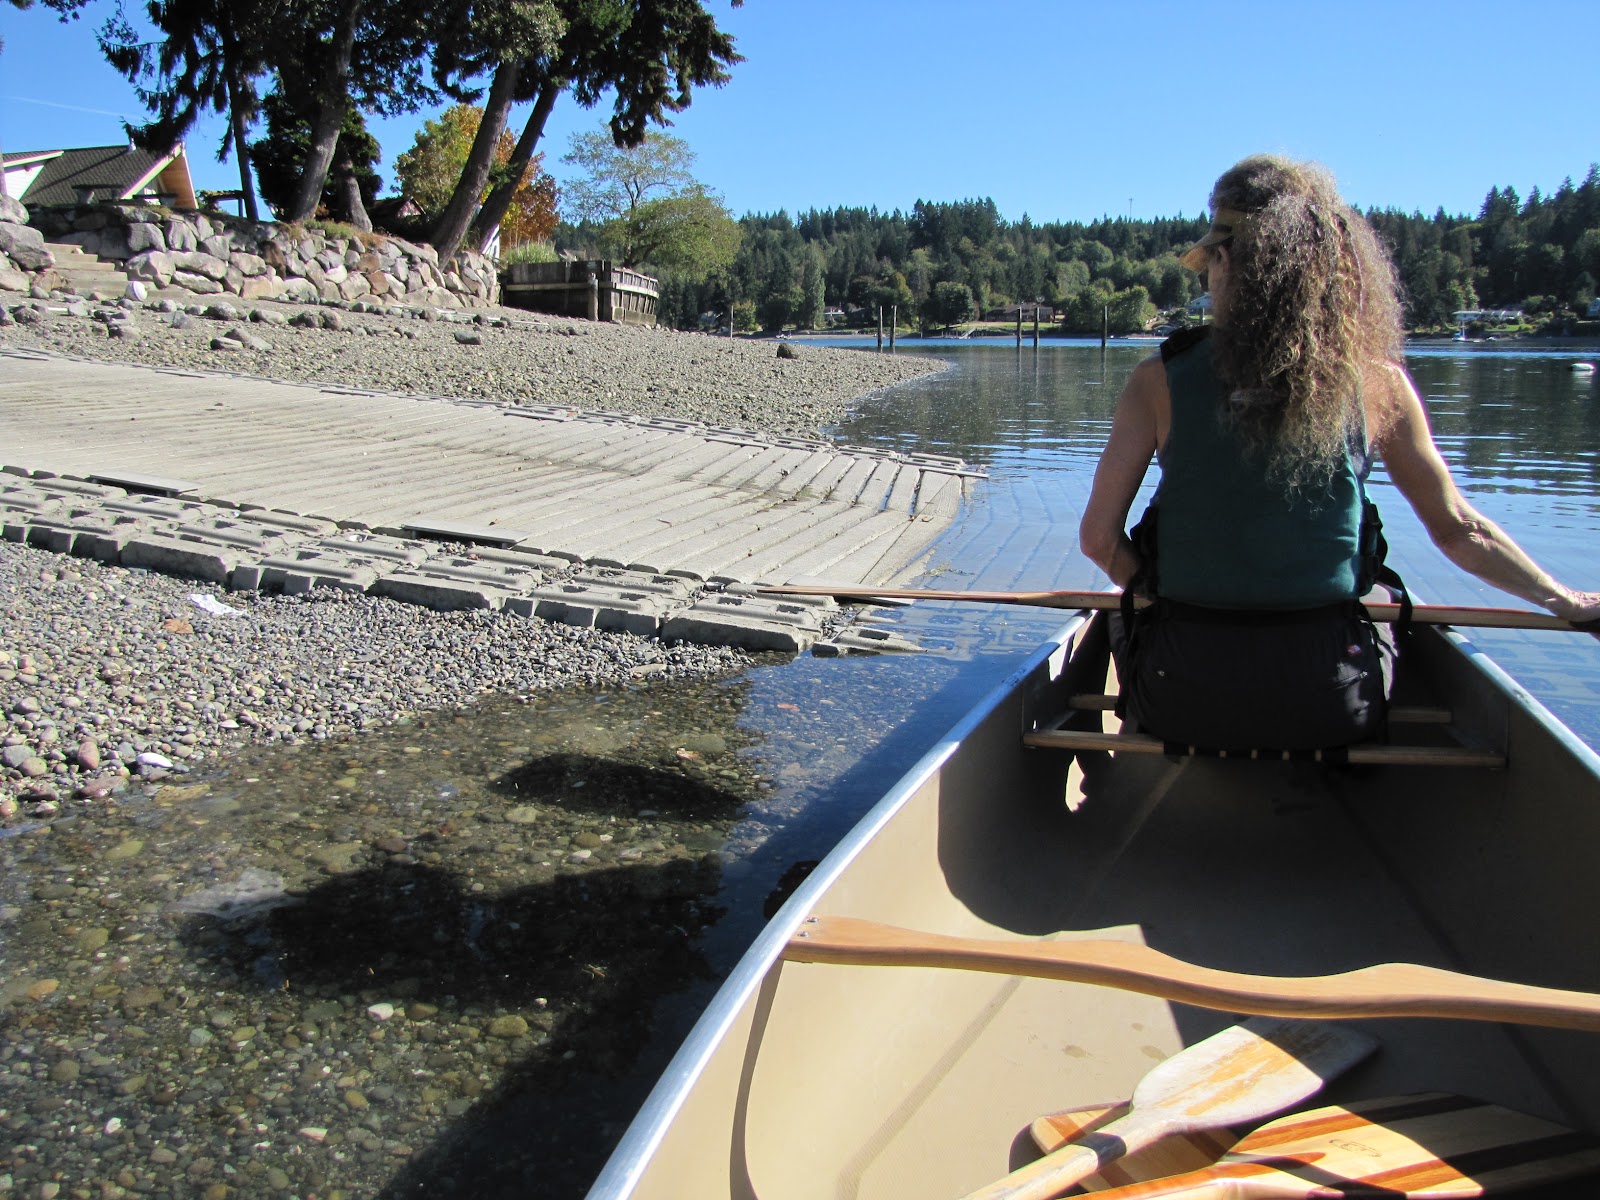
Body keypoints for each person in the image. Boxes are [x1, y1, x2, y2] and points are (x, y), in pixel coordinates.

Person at [1078, 155, 1600, 752]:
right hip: (1330, 704)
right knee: (1386, 619)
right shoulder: (1379, 383)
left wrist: (1161, 598)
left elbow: (1098, 541)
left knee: (1119, 614)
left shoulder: (1158, 379)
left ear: (1224, 262)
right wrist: (1563, 599)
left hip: (1181, 700)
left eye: (1210, 264)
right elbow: (1460, 531)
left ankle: (1128, 762)